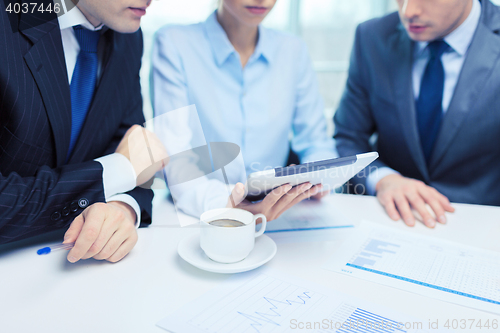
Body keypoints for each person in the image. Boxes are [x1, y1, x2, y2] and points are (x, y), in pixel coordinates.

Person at [0, 0, 168, 263]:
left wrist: (122, 208)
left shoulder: (128, 38)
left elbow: (134, 155)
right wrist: (115, 172)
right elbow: (126, 165)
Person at [151, 0, 337, 221]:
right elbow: (175, 156)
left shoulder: (293, 50)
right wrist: (225, 204)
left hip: (280, 213)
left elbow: (316, 143)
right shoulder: (174, 43)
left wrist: (318, 180)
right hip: (197, 213)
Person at [334, 0, 500, 228]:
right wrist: (382, 179)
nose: (408, 11)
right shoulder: (371, 37)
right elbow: (348, 138)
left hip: (483, 225)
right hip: (389, 219)